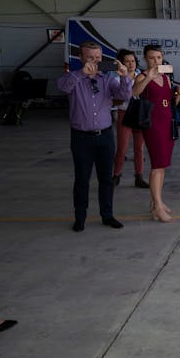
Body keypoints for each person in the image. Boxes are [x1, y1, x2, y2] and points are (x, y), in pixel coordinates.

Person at [57, 40, 130, 232]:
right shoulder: (73, 78)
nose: (95, 61)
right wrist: (82, 73)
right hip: (81, 137)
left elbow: (124, 95)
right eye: (90, 57)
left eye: (98, 58)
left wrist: (124, 77)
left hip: (105, 136)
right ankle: (80, 217)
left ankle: (107, 215)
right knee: (82, 178)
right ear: (81, 58)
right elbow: (62, 87)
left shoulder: (107, 79)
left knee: (106, 178)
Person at [132, 44, 180, 222]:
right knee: (157, 166)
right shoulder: (143, 76)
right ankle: (156, 206)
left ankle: (157, 202)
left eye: (159, 58)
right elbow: (134, 92)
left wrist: (179, 94)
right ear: (146, 59)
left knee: (162, 166)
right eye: (152, 58)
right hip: (152, 125)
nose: (156, 61)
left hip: (167, 123)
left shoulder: (166, 77)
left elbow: (170, 102)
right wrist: (148, 78)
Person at [111, 49, 148, 189]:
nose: (131, 64)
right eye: (127, 61)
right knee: (122, 148)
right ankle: (116, 175)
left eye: (133, 61)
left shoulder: (143, 76)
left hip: (139, 114)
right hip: (124, 114)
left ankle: (139, 177)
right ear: (121, 63)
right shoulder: (115, 78)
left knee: (139, 148)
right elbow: (115, 100)